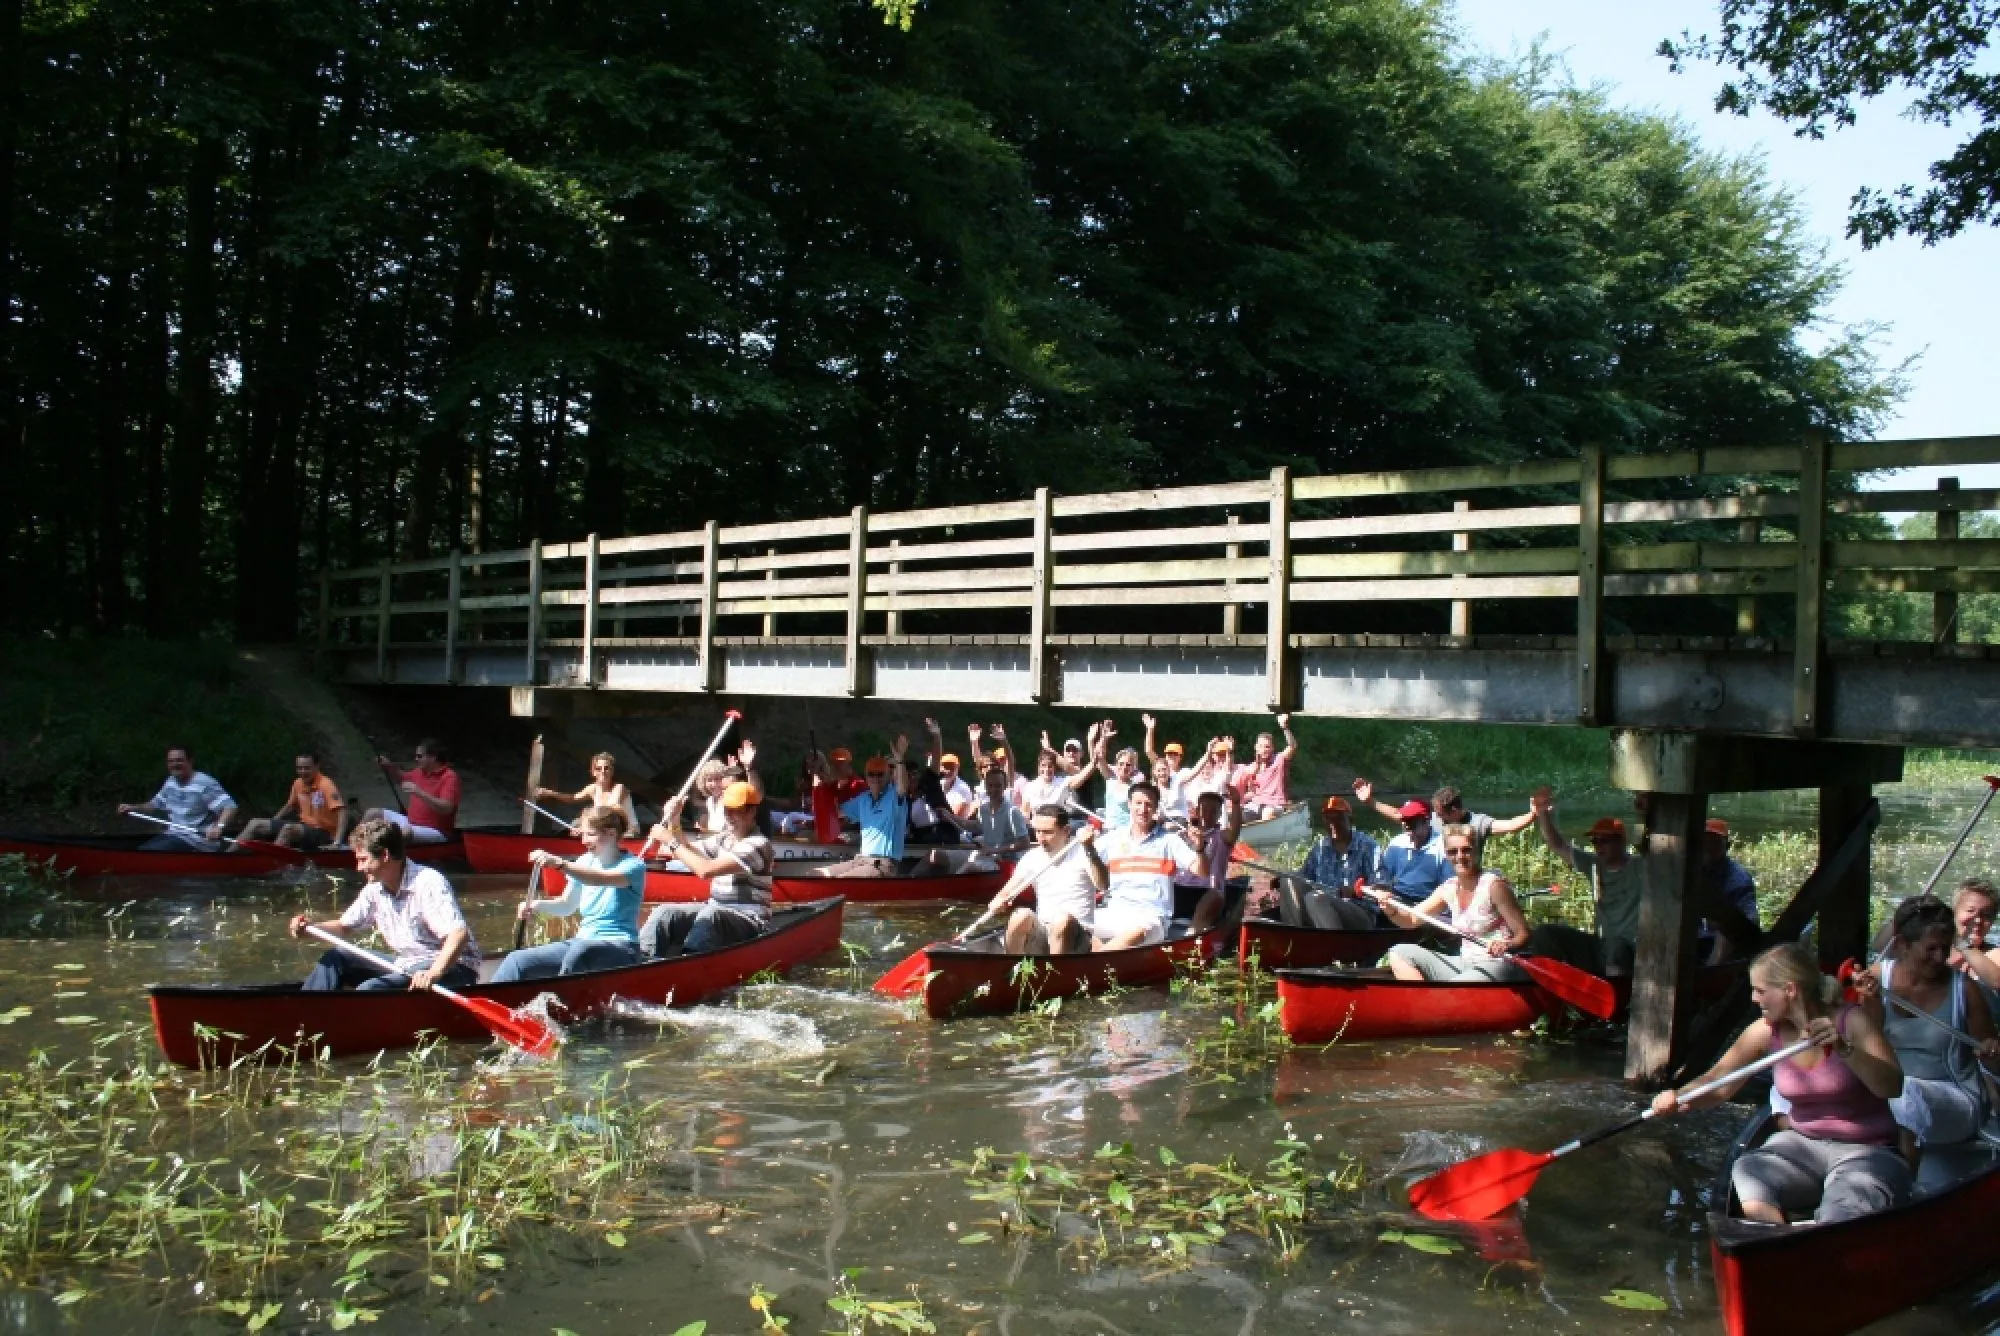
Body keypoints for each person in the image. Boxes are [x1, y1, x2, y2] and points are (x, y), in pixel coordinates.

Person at [1651, 942, 1908, 1226]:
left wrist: (1843, 1048)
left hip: (1867, 1149)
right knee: (1749, 1169)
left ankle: (1823, 1240)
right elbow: (1718, 1082)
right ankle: (1774, 1241)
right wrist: (1679, 1096)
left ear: (1790, 990)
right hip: (1802, 1146)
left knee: (1844, 1209)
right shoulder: (1765, 1030)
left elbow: (1891, 1087)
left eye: (1760, 990)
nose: (1753, 998)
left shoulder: (1852, 1021)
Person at [1849, 895, 2000, 1149]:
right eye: (1931, 949)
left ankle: (1900, 1182)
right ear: (1902, 945)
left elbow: (1995, 1067)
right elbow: (1867, 1049)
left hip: (1955, 1098)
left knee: (1904, 1094)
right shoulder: (1874, 980)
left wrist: (1991, 1052)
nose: (1940, 958)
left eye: (1945, 948)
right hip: (1889, 1093)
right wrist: (1870, 1002)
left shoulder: (1965, 990)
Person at [289, 818, 481, 991]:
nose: (359, 867)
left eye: (363, 859)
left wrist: (434, 973)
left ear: (385, 855)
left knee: (370, 989)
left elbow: (458, 934)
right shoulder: (375, 887)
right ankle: (304, 1017)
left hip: (453, 968)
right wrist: (310, 929)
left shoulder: (428, 882)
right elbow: (343, 926)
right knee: (336, 957)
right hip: (406, 964)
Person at [495, 806, 646, 980]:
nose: (583, 841)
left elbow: (598, 879)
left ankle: (555, 1001)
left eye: (589, 834)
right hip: (581, 942)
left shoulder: (633, 866)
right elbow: (566, 906)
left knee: (580, 952)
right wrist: (535, 905)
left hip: (621, 946)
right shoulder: (584, 862)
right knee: (517, 960)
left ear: (611, 834)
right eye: (582, 834)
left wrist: (560, 864)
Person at [1367, 825, 1532, 982]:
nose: (1460, 856)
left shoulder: (1494, 886)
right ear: (1446, 854)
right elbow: (1411, 920)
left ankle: (1439, 1002)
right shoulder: (1449, 887)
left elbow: (1524, 934)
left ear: (1476, 851)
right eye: (1453, 851)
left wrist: (1506, 944)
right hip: (1465, 963)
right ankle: (1426, 1002)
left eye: (1466, 850)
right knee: (1399, 952)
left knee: (1458, 984)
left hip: (1497, 965)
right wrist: (1391, 910)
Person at [641, 781, 773, 956]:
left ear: (752, 811)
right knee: (665, 912)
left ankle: (690, 962)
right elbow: (686, 849)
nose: (729, 815)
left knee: (712, 914)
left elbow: (705, 870)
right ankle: (641, 958)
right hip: (715, 910)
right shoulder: (724, 839)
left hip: (749, 920)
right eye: (727, 810)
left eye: (736, 810)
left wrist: (669, 841)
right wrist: (674, 819)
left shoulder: (758, 845)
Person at [1527, 787, 1641, 977]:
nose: (1599, 846)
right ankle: (1548, 991)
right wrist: (1543, 814)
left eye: (1605, 841)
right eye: (1595, 841)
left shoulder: (1640, 867)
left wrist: (1644, 806)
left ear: (1621, 841)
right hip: (1599, 945)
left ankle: (1617, 999)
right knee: (1545, 933)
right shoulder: (1594, 864)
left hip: (1628, 949)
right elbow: (1558, 845)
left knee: (1617, 946)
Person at [1092, 782, 1210, 949]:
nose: (1143, 809)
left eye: (1149, 805)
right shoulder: (1112, 838)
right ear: (1129, 805)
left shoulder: (1170, 840)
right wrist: (1087, 843)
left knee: (1137, 932)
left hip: (1151, 917)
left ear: (1155, 808)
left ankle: (1095, 966)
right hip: (1115, 911)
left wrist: (1199, 848)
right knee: (1077, 923)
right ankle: (1099, 961)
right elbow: (1081, 862)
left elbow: (1203, 872)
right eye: (1138, 803)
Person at [1000, 805, 1109, 954]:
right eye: (1037, 831)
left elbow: (1103, 885)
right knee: (1020, 915)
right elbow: (1007, 890)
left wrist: (1090, 848)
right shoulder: (1032, 857)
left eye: (1047, 832)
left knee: (1061, 920)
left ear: (1066, 831)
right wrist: (999, 900)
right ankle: (1013, 972)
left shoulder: (1083, 852)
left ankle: (1055, 974)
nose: (1040, 838)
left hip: (1078, 934)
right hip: (1044, 930)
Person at [1352, 780, 1532, 864]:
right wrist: (1370, 801)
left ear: (1454, 811)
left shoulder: (1477, 823)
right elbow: (1399, 814)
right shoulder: (1436, 819)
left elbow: (1511, 825)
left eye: (1440, 813)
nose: (1436, 817)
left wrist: (1534, 813)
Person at [1279, 796, 1383, 930]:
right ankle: (1292, 934)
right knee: (1288, 879)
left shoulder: (1368, 847)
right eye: (1328, 818)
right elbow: (1304, 877)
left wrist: (1355, 891)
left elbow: (1381, 887)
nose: (1333, 823)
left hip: (1360, 914)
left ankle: (1332, 945)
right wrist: (1284, 878)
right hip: (1321, 911)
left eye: (1338, 818)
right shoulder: (1320, 848)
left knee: (1315, 898)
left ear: (1350, 820)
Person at [818, 740, 916, 877]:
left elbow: (902, 787)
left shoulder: (895, 796)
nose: (875, 778)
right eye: (871, 774)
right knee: (817, 874)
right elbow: (835, 812)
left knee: (840, 881)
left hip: (884, 863)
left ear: (888, 776)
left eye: (880, 774)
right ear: (866, 777)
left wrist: (899, 759)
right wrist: (821, 780)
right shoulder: (863, 799)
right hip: (861, 860)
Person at [118, 746, 238, 851]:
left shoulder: (204, 783)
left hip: (198, 840)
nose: (175, 764)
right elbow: (153, 805)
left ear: (190, 761)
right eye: (171, 761)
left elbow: (230, 807)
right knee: (142, 850)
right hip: (174, 835)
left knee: (144, 853)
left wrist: (218, 827)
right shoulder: (171, 782)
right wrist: (132, 808)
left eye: (179, 760)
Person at [238, 751, 349, 850]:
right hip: (304, 827)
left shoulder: (326, 784)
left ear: (316, 767)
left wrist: (337, 842)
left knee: (289, 829)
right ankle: (226, 856)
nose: (303, 772)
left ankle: (269, 861)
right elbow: (289, 806)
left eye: (307, 768)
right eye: (299, 768)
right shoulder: (298, 783)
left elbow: (342, 811)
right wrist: (273, 822)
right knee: (256, 823)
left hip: (324, 832)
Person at [1171, 789, 1242, 933]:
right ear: (1197, 811)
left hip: (1208, 891)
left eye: (1213, 812)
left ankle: (1191, 935)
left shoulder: (1222, 836)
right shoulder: (1181, 836)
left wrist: (1235, 803)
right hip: (1180, 888)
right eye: (1205, 810)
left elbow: (1234, 832)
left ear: (1219, 815)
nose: (1208, 815)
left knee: (1214, 896)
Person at [1699, 819, 1763, 962]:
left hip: (1716, 943)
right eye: (1704, 842)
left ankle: (1710, 976)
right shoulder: (1686, 869)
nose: (1708, 847)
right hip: (1689, 940)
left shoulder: (1739, 879)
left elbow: (1750, 920)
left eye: (1715, 843)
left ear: (1727, 846)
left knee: (1725, 934)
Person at [375, 739, 460, 843]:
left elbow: (446, 808)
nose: (416, 759)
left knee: (404, 832)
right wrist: (389, 766)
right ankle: (354, 845)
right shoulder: (420, 771)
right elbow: (401, 778)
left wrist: (419, 792)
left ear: (433, 757)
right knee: (373, 813)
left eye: (419, 756)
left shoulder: (449, 777)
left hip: (435, 830)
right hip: (412, 823)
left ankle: (380, 853)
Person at [532, 751, 640, 831]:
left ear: (612, 771)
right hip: (607, 830)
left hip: (629, 832)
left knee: (583, 823)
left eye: (607, 768)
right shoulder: (592, 788)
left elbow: (611, 809)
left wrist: (585, 824)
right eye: (598, 768)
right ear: (593, 772)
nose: (603, 771)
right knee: (576, 827)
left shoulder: (619, 787)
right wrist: (549, 793)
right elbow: (573, 798)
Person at [1374, 797, 1451, 906]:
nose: (1406, 824)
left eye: (1412, 820)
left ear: (1426, 821)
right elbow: (1384, 874)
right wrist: (1381, 890)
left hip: (1428, 900)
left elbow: (1448, 885)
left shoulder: (1443, 846)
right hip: (1397, 897)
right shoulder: (1397, 843)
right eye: (1404, 820)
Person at [1232, 714, 1298, 820]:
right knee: (1237, 815)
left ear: (1272, 748)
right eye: (1261, 746)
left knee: (1267, 813)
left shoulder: (1279, 759)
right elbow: (1251, 792)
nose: (1264, 749)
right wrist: (1238, 801)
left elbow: (1292, 746)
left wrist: (1284, 727)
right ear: (1256, 748)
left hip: (1275, 804)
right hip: (1256, 803)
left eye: (1267, 747)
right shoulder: (1253, 767)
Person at [1949, 878, 2000, 1008]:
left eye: (1986, 915)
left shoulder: (1995, 954)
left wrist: (1961, 943)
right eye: (1970, 911)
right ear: (1954, 912)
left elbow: (1997, 981)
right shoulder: (1933, 949)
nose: (1977, 920)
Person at [971, 763, 1032, 854]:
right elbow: (974, 826)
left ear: (1005, 786)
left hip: (1010, 862)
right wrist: (950, 816)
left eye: (998, 786)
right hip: (991, 860)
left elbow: (1025, 843)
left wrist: (995, 850)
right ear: (985, 786)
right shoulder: (983, 809)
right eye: (990, 785)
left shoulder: (1012, 812)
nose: (993, 789)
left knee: (970, 866)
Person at [1140, 715, 1192, 818]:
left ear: (1180, 757)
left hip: (1180, 814)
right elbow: (1148, 751)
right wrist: (1150, 729)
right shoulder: (1160, 768)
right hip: (1161, 816)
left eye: (1175, 754)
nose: (1171, 756)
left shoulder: (1185, 772)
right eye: (1169, 754)